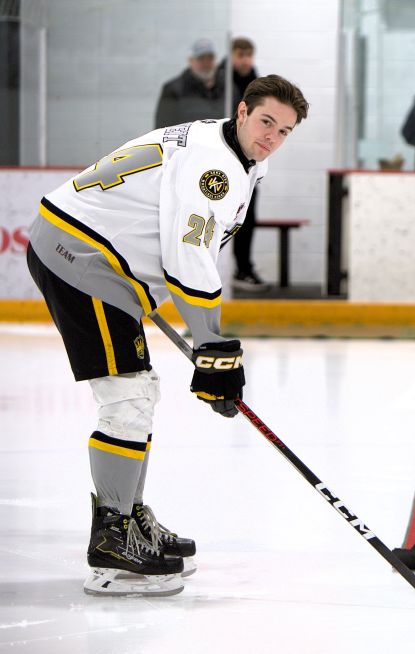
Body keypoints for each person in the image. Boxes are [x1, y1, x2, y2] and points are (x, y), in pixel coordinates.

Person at [26, 75, 309, 597]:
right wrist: (212, 346)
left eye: (285, 131)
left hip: (97, 256)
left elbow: (183, 237)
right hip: (83, 257)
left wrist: (207, 344)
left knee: (137, 393)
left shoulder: (238, 153)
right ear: (243, 111)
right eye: (267, 121)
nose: (272, 137)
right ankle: (113, 536)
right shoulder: (215, 166)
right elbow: (190, 252)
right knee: (128, 395)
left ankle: (127, 518)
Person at [216, 37, 266, 291]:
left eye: (249, 54)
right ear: (232, 55)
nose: (245, 60)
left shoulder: (257, 86)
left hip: (245, 162)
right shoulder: (218, 82)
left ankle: (243, 268)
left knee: (246, 216)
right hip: (220, 158)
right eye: (240, 54)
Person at [154, 37, 226, 129]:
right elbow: (162, 128)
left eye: (210, 58)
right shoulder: (173, 90)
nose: (206, 63)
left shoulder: (227, 88)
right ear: (191, 61)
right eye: (201, 58)